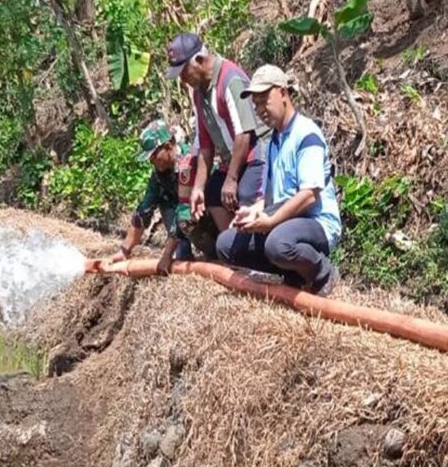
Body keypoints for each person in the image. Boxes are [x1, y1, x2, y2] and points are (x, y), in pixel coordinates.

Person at [215, 65, 341, 297]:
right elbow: (271, 197)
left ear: (283, 93)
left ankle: (321, 271)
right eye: (256, 105)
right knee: (225, 245)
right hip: (286, 222)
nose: (261, 109)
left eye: (265, 100)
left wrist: (270, 221)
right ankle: (292, 273)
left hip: (315, 223)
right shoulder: (273, 140)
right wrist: (252, 212)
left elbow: (309, 196)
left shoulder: (306, 134)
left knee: (277, 243)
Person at [165, 32, 270, 232]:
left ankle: (252, 252)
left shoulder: (230, 80)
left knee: (245, 194)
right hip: (231, 161)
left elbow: (244, 135)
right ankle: (232, 248)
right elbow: (206, 145)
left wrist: (231, 180)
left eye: (184, 72)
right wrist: (197, 188)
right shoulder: (199, 94)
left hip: (255, 155)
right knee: (212, 194)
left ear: (200, 60)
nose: (183, 79)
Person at [106, 120, 218, 273]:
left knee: (185, 219)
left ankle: (215, 256)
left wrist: (166, 255)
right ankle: (184, 252)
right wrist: (124, 251)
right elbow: (144, 210)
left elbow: (184, 210)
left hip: (207, 213)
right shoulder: (160, 174)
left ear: (167, 147)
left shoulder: (187, 162)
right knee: (164, 202)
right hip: (182, 216)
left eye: (153, 155)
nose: (151, 161)